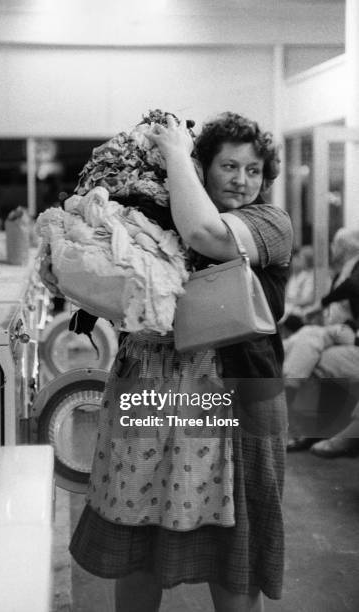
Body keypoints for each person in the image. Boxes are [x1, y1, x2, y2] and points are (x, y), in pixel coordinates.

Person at [61, 112, 293, 612]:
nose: (242, 180)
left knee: (236, 546)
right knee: (137, 539)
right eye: (229, 166)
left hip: (237, 398)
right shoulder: (153, 213)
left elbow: (206, 235)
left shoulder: (270, 223)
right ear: (201, 169)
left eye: (254, 171)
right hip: (151, 389)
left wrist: (170, 151)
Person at [284, 227, 359, 451]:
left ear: (344, 247)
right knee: (308, 345)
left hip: (350, 334)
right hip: (344, 332)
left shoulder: (354, 268)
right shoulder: (344, 270)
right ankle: (298, 414)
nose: (331, 250)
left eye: (335, 245)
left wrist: (322, 303)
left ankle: (290, 405)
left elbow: (353, 286)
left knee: (308, 349)